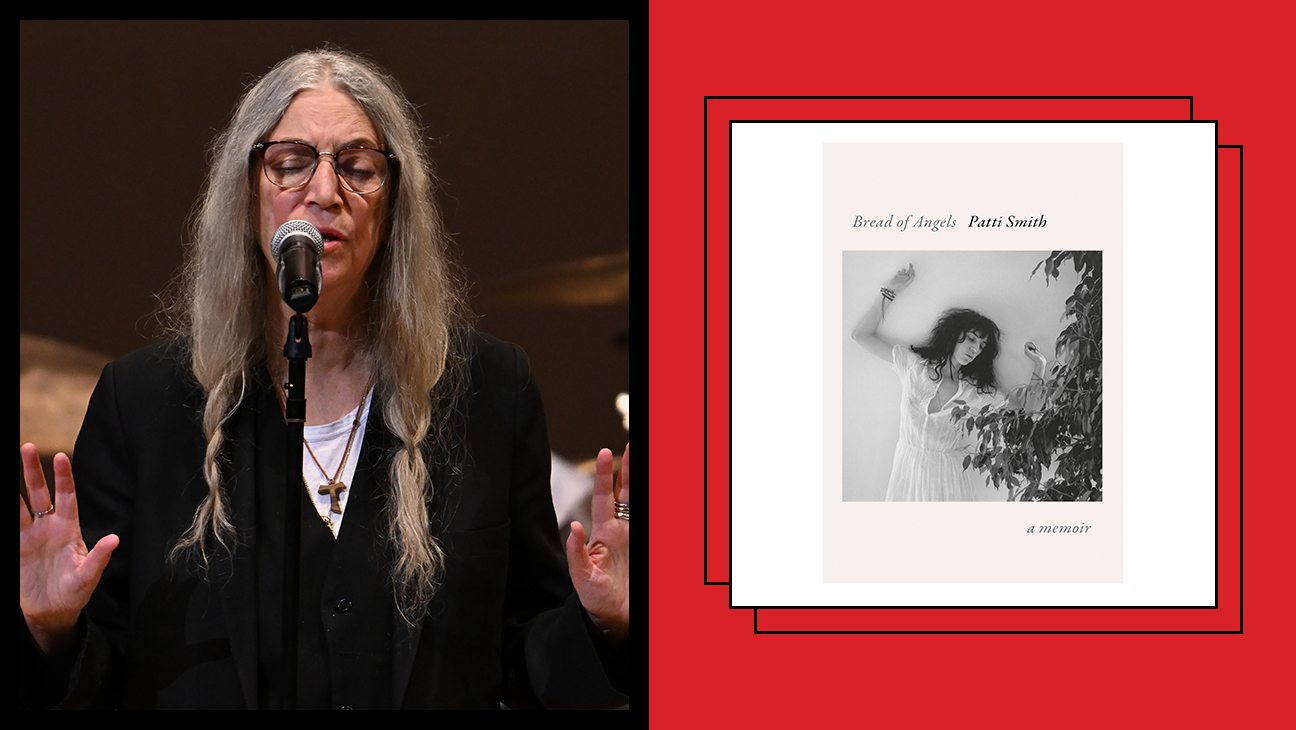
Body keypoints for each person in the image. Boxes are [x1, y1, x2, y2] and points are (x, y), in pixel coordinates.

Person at [18, 48, 630, 709]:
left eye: (358, 168)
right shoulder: (142, 404)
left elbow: (528, 653)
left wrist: (605, 619)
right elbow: (102, 671)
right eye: (291, 164)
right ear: (245, 190)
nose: (324, 191)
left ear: (394, 203)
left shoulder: (488, 389)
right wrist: (51, 628)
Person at [851, 263, 1047, 501]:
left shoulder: (976, 392)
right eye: (972, 339)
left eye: (981, 346)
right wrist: (890, 290)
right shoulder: (915, 367)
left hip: (947, 479)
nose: (975, 348)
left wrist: (1039, 366)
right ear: (954, 336)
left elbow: (1028, 410)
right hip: (907, 471)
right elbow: (860, 335)